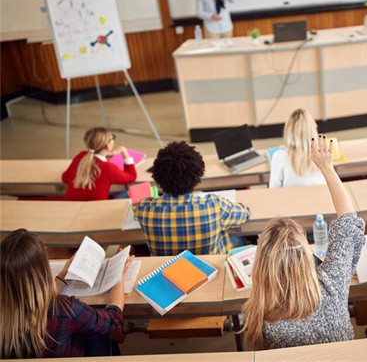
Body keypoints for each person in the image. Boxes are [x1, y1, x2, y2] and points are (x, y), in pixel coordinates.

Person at [242, 134, 365, 350]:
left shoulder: (261, 316)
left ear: (262, 266)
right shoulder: (331, 285)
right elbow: (348, 222)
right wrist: (327, 168)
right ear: (305, 257)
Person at [0, 229, 134, 358]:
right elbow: (112, 320)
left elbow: (32, 295)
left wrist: (63, 275)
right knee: (97, 331)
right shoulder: (66, 309)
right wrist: (119, 276)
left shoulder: (8, 314)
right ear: (42, 270)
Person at [137, 141, 250, 256]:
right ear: (198, 176)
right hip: (211, 269)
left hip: (166, 270)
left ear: (157, 178)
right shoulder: (214, 205)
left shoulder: (143, 209)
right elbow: (245, 214)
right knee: (238, 237)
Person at [62, 127, 137, 201]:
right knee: (137, 190)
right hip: (100, 210)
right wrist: (124, 151)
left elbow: (65, 178)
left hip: (73, 209)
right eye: (112, 138)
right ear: (107, 145)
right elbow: (132, 176)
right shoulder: (108, 168)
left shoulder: (80, 156)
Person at [269, 109, 326, 188]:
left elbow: (273, 189)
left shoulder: (279, 156)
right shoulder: (323, 154)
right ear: (313, 128)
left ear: (288, 130)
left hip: (290, 199)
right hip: (321, 199)